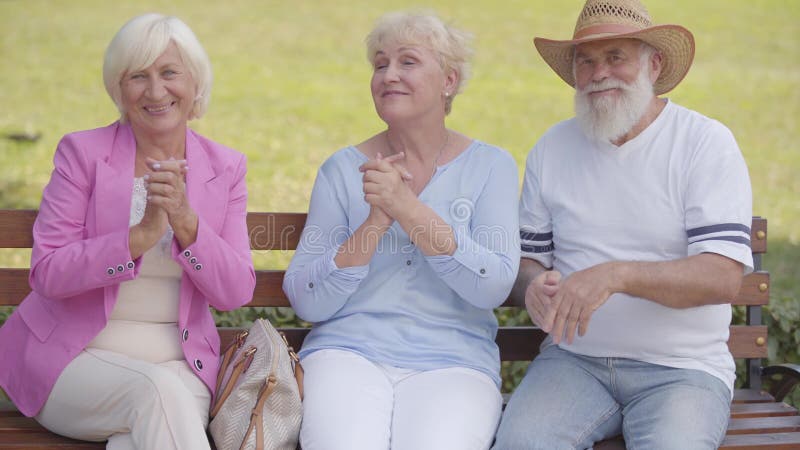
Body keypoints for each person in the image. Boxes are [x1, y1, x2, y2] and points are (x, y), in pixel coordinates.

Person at [492, 0, 753, 449]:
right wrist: (532, 284)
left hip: (682, 370)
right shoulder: (552, 148)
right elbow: (526, 263)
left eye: (616, 57)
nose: (598, 74)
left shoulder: (704, 143)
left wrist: (617, 275)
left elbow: (722, 276)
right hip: (574, 363)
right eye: (586, 60)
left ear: (654, 64)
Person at [0, 13, 255, 449]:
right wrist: (139, 236)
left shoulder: (224, 167)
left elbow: (235, 292)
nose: (156, 91)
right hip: (73, 362)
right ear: (119, 89)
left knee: (140, 431)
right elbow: (48, 272)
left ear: (195, 83)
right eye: (139, 76)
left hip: (182, 366)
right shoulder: (82, 154)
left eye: (169, 73)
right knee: (155, 394)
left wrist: (187, 224)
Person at [283, 11, 520, 450]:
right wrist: (374, 222)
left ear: (449, 80)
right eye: (380, 64)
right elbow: (307, 298)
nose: (389, 75)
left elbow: (493, 286)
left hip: (455, 362)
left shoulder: (492, 167)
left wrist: (406, 207)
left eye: (407, 62)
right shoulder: (341, 170)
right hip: (347, 353)